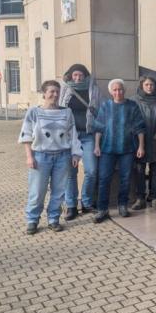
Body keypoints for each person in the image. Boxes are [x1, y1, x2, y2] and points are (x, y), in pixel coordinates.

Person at [19, 80, 83, 234]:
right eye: (51, 91)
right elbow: (26, 135)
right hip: (41, 157)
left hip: (63, 156)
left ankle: (54, 219)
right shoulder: (33, 112)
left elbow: (73, 134)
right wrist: (29, 156)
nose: (54, 94)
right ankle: (32, 220)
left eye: (57, 92)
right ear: (44, 94)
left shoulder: (67, 112)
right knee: (37, 190)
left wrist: (75, 153)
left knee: (59, 191)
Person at [92, 79, 146, 223]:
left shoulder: (132, 106)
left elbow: (140, 127)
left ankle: (123, 205)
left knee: (125, 178)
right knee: (104, 179)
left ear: (124, 90)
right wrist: (97, 146)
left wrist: (141, 146)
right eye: (115, 90)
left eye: (120, 89)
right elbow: (98, 127)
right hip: (107, 149)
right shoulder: (105, 106)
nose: (118, 92)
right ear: (111, 92)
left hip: (127, 149)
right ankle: (102, 209)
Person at [60, 63, 102, 221]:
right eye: (75, 75)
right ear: (70, 76)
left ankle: (86, 202)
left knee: (91, 171)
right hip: (70, 137)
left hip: (88, 134)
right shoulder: (65, 88)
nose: (77, 78)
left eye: (80, 75)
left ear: (85, 76)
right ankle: (71, 206)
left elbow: (99, 112)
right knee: (71, 173)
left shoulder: (93, 89)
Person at [131, 76, 156, 211]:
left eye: (151, 84)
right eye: (146, 84)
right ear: (142, 86)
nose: (149, 87)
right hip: (140, 141)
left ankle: (155, 197)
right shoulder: (134, 101)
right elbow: (131, 120)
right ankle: (140, 197)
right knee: (140, 169)